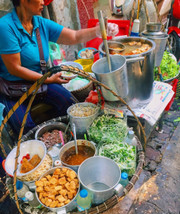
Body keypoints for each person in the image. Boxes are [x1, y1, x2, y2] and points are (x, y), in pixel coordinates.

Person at [0, 0, 118, 133]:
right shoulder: (6, 27)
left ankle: (70, 136)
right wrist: (49, 79)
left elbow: (74, 36)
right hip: (13, 89)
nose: (44, 2)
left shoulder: (40, 23)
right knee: (26, 128)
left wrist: (98, 30)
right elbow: (14, 68)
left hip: (40, 83)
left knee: (70, 104)